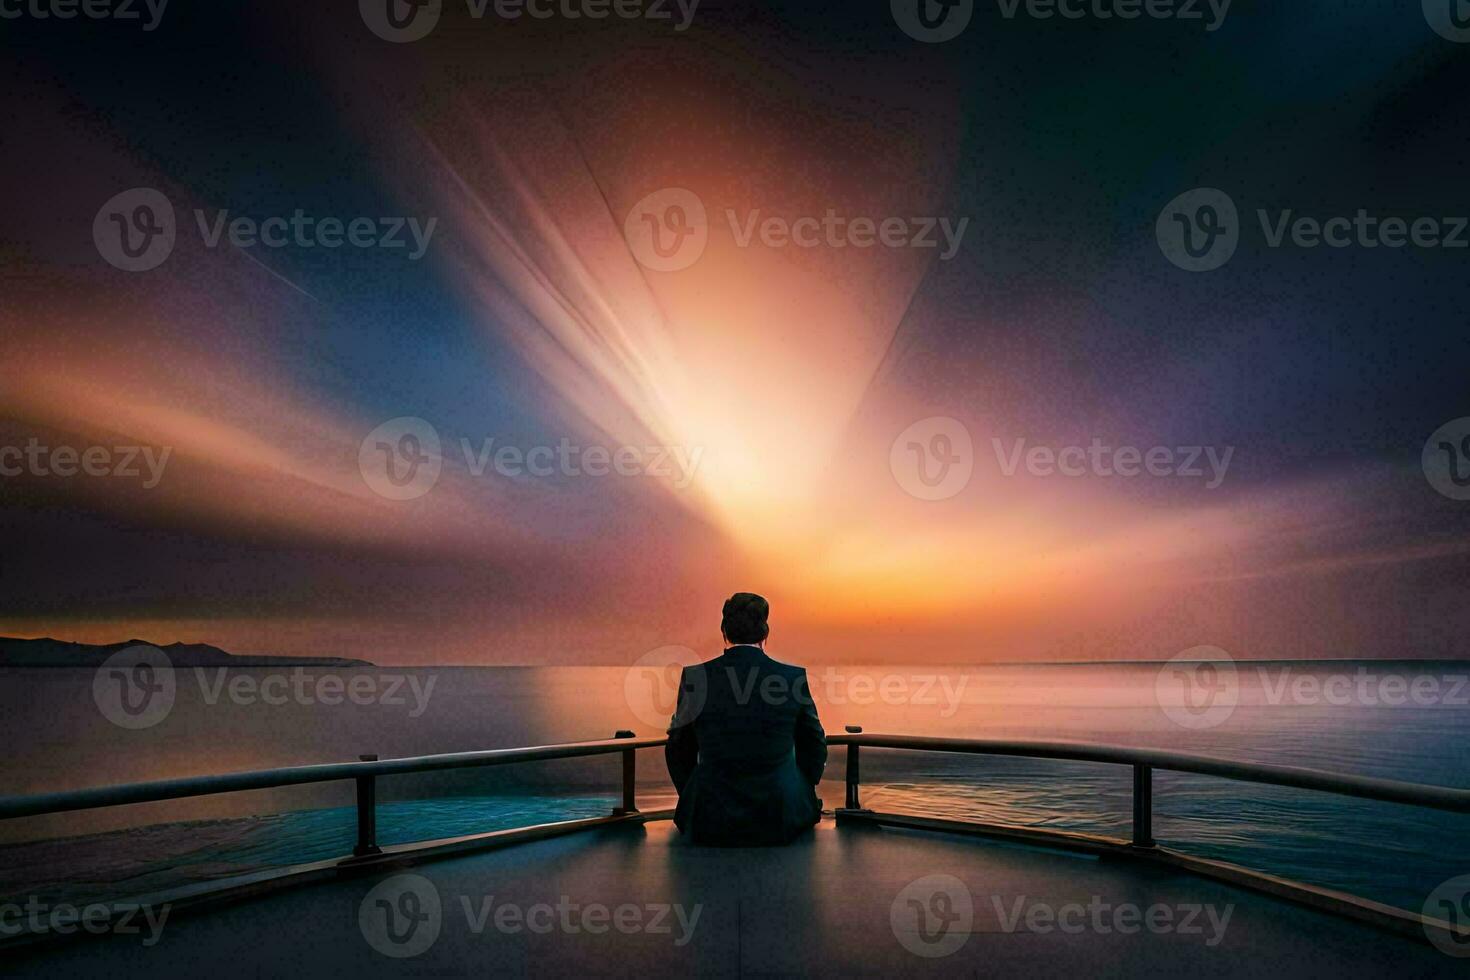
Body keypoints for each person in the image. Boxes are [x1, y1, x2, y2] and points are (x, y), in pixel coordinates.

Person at [665, 592, 827, 845]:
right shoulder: (792, 678)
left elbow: (678, 747)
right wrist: (802, 788)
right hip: (780, 814)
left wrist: (691, 793)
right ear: (765, 634)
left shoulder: (696, 678)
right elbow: (814, 743)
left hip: (709, 817)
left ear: (723, 631)